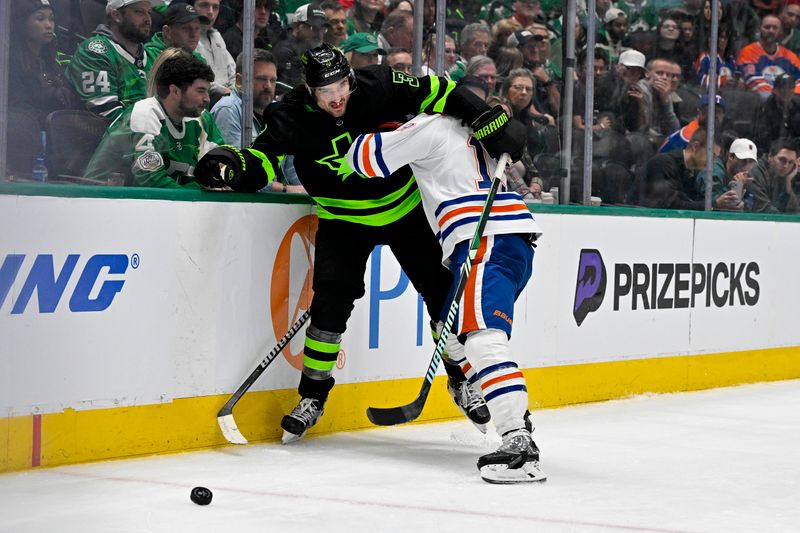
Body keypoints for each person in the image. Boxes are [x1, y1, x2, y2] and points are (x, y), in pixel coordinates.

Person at [194, 44, 526, 443]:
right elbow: (262, 159)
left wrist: (482, 115)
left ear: (350, 78)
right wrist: (231, 165)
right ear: (307, 89)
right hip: (341, 219)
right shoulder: (290, 113)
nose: (336, 97)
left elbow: (437, 88)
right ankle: (313, 396)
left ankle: (461, 378)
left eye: (340, 86)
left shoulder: (379, 84)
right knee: (329, 306)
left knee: (444, 298)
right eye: (324, 91)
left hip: (405, 210)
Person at [345, 113, 545, 483]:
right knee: (449, 327)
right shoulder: (478, 123)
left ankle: (518, 441)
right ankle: (489, 393)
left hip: (485, 237)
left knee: (484, 339)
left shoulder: (427, 125)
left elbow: (363, 160)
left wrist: (357, 128)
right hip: (509, 237)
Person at [83, 50, 224, 188]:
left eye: (207, 90)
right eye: (200, 91)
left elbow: (190, 179)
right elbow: (151, 181)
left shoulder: (193, 124)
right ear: (175, 91)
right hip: (102, 202)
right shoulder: (144, 114)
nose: (207, 99)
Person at [7, 0, 77, 177]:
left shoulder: (52, 65)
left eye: (52, 19)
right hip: (23, 149)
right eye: (40, 18)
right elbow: (19, 111)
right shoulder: (9, 64)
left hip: (57, 147)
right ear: (22, 22)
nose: (48, 25)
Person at [66, 0, 162, 121]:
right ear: (117, 16)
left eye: (149, 12)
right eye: (139, 12)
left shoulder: (154, 56)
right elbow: (105, 114)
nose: (148, 19)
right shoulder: (96, 51)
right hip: (107, 138)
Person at [638, 128, 710, 210]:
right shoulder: (662, 164)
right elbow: (670, 205)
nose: (713, 162)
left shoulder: (690, 173)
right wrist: (712, 205)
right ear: (696, 147)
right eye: (711, 154)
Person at [738, 14, 800, 96]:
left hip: (787, 101)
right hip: (759, 103)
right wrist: (779, 96)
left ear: (780, 31)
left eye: (775, 28)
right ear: (759, 29)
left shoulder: (790, 56)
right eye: (767, 27)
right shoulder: (748, 52)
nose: (771, 31)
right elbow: (752, 79)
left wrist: (791, 95)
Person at [272, 4, 328, 91]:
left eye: (322, 28)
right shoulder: (285, 52)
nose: (318, 33)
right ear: (298, 26)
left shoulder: (314, 53)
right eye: (313, 27)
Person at [190, 0, 237, 97]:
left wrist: (233, 92)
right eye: (204, 5)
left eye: (215, 7)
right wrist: (227, 92)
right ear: (191, 8)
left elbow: (233, 71)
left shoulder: (217, 36)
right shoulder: (189, 40)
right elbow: (198, 78)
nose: (210, 12)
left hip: (228, 97)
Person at [144, 3, 208, 67]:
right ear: (167, 31)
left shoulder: (199, 58)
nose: (193, 35)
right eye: (186, 28)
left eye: (197, 28)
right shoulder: (147, 57)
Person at [746, 138, 800, 213]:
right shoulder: (755, 172)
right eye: (782, 160)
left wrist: (788, 184)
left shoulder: (789, 176)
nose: (786, 166)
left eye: (790, 162)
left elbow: (796, 212)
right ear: (770, 157)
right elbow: (763, 209)